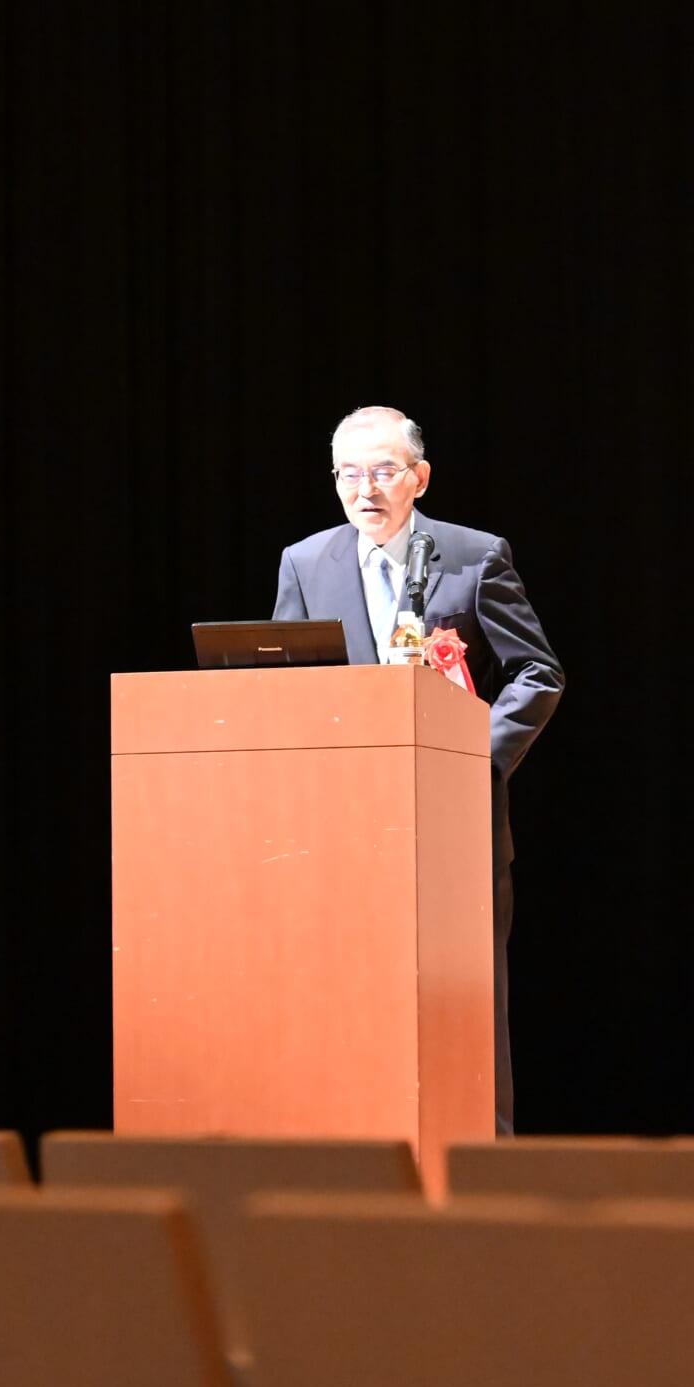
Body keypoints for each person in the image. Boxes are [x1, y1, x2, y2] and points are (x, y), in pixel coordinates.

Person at [273, 405, 564, 1131]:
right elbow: (283, 689)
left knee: (463, 1004)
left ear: (419, 478)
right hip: (347, 826)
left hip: (452, 821)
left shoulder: (474, 555)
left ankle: (480, 1160)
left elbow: (537, 672)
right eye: (348, 473)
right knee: (350, 999)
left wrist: (470, 758)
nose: (364, 489)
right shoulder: (305, 563)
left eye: (382, 471)